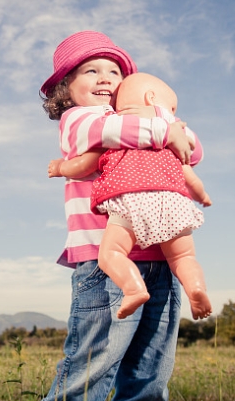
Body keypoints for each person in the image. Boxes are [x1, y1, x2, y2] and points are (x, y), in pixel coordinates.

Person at [34, 30, 200, 401]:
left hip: (159, 255)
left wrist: (171, 126)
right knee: (98, 348)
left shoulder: (146, 125)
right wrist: (166, 128)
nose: (106, 77)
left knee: (153, 352)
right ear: (64, 88)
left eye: (115, 71)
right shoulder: (81, 121)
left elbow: (193, 152)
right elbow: (118, 130)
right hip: (102, 257)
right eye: (91, 70)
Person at [48, 72, 213, 321]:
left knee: (111, 254)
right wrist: (202, 196)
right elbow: (190, 171)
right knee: (184, 256)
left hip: (132, 203)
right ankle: (196, 288)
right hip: (176, 204)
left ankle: (133, 288)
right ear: (153, 99)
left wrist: (61, 168)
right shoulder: (173, 134)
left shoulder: (118, 131)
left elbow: (85, 164)